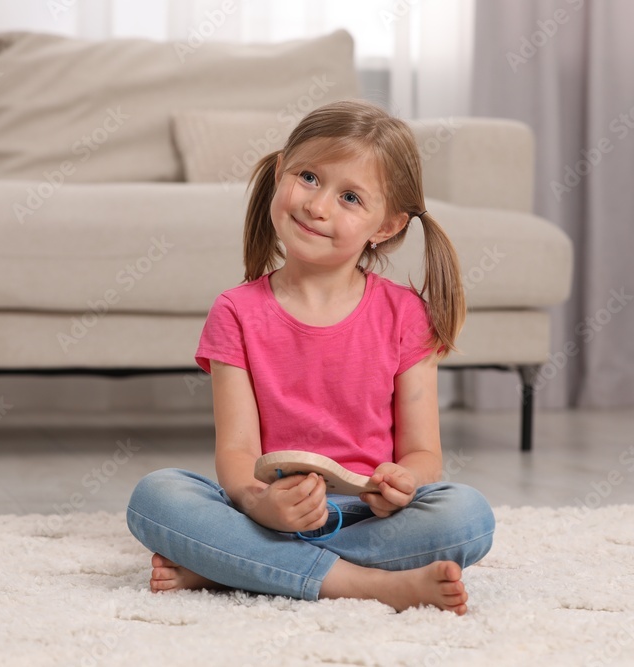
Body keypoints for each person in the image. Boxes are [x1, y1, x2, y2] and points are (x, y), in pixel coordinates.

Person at [126, 99, 495, 615]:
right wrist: (261, 504)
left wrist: (404, 484)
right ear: (281, 172)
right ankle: (367, 584)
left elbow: (423, 454)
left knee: (469, 517)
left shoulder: (406, 315)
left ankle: (233, 566)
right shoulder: (236, 311)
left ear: (385, 226)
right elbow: (236, 452)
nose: (318, 206)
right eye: (309, 177)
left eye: (350, 197)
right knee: (156, 496)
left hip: (370, 517)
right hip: (266, 510)